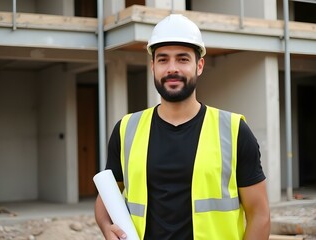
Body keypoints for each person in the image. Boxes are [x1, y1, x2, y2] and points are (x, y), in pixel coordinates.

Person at [95, 14, 270, 240]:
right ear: (153, 67)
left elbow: (260, 215)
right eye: (163, 59)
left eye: (182, 59)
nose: (172, 68)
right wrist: (105, 226)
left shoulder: (234, 131)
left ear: (199, 65)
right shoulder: (126, 129)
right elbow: (106, 198)